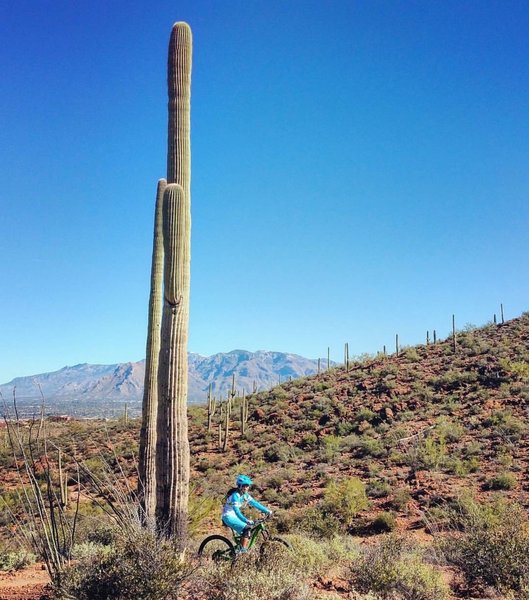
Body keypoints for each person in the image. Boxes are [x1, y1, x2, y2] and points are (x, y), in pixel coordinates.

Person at [222, 474, 272, 553]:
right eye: (244, 486)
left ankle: (240, 547)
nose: (246, 488)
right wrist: (246, 520)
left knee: (248, 531)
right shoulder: (235, 496)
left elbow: (255, 503)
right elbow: (237, 511)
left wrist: (267, 510)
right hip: (228, 516)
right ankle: (242, 552)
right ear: (239, 486)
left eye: (247, 486)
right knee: (247, 528)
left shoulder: (245, 495)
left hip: (235, 516)